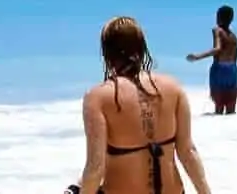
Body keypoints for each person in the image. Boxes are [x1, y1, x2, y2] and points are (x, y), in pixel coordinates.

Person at [66, 16, 210, 194]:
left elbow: (96, 169)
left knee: (73, 189)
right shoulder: (173, 88)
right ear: (142, 48)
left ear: (107, 53)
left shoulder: (98, 97)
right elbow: (188, 152)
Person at [187, 5, 237, 115]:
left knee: (219, 108)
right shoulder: (234, 37)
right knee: (231, 109)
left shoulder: (217, 30)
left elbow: (218, 49)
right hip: (233, 71)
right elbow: (235, 57)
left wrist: (198, 56)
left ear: (219, 17)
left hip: (220, 69)